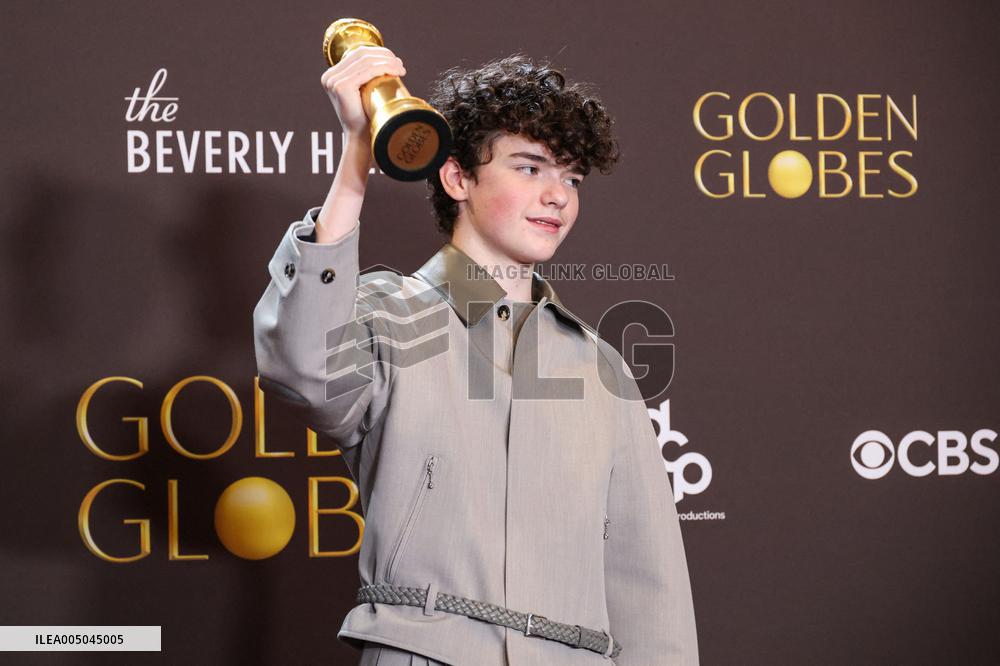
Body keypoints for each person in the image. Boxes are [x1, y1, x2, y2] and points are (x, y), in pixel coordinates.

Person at [253, 45, 699, 665]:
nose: (558, 197)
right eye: (530, 168)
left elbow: (649, 587)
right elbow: (301, 367)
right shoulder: (389, 314)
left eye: (571, 177)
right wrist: (359, 153)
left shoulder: (600, 367)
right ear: (457, 176)